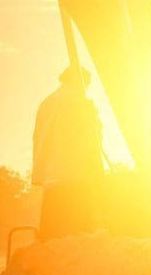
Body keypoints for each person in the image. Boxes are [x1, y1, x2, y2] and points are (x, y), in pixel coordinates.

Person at [32, 66, 106, 239]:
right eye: (86, 84)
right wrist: (94, 118)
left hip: (51, 175)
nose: (87, 88)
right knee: (78, 236)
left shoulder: (47, 102)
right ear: (80, 81)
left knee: (52, 235)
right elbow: (89, 137)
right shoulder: (78, 102)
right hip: (75, 176)